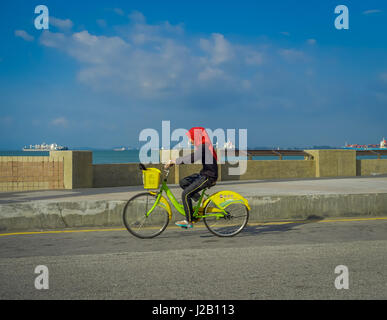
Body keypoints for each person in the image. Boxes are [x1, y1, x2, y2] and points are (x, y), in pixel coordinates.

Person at [164, 127, 218, 228]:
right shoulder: (203, 146)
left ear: (196, 137)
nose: (190, 140)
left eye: (191, 137)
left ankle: (189, 221)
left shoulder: (204, 147)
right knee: (183, 182)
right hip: (204, 174)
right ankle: (201, 200)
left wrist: (174, 161)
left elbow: (192, 158)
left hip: (208, 177)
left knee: (186, 194)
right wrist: (174, 162)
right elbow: (191, 157)